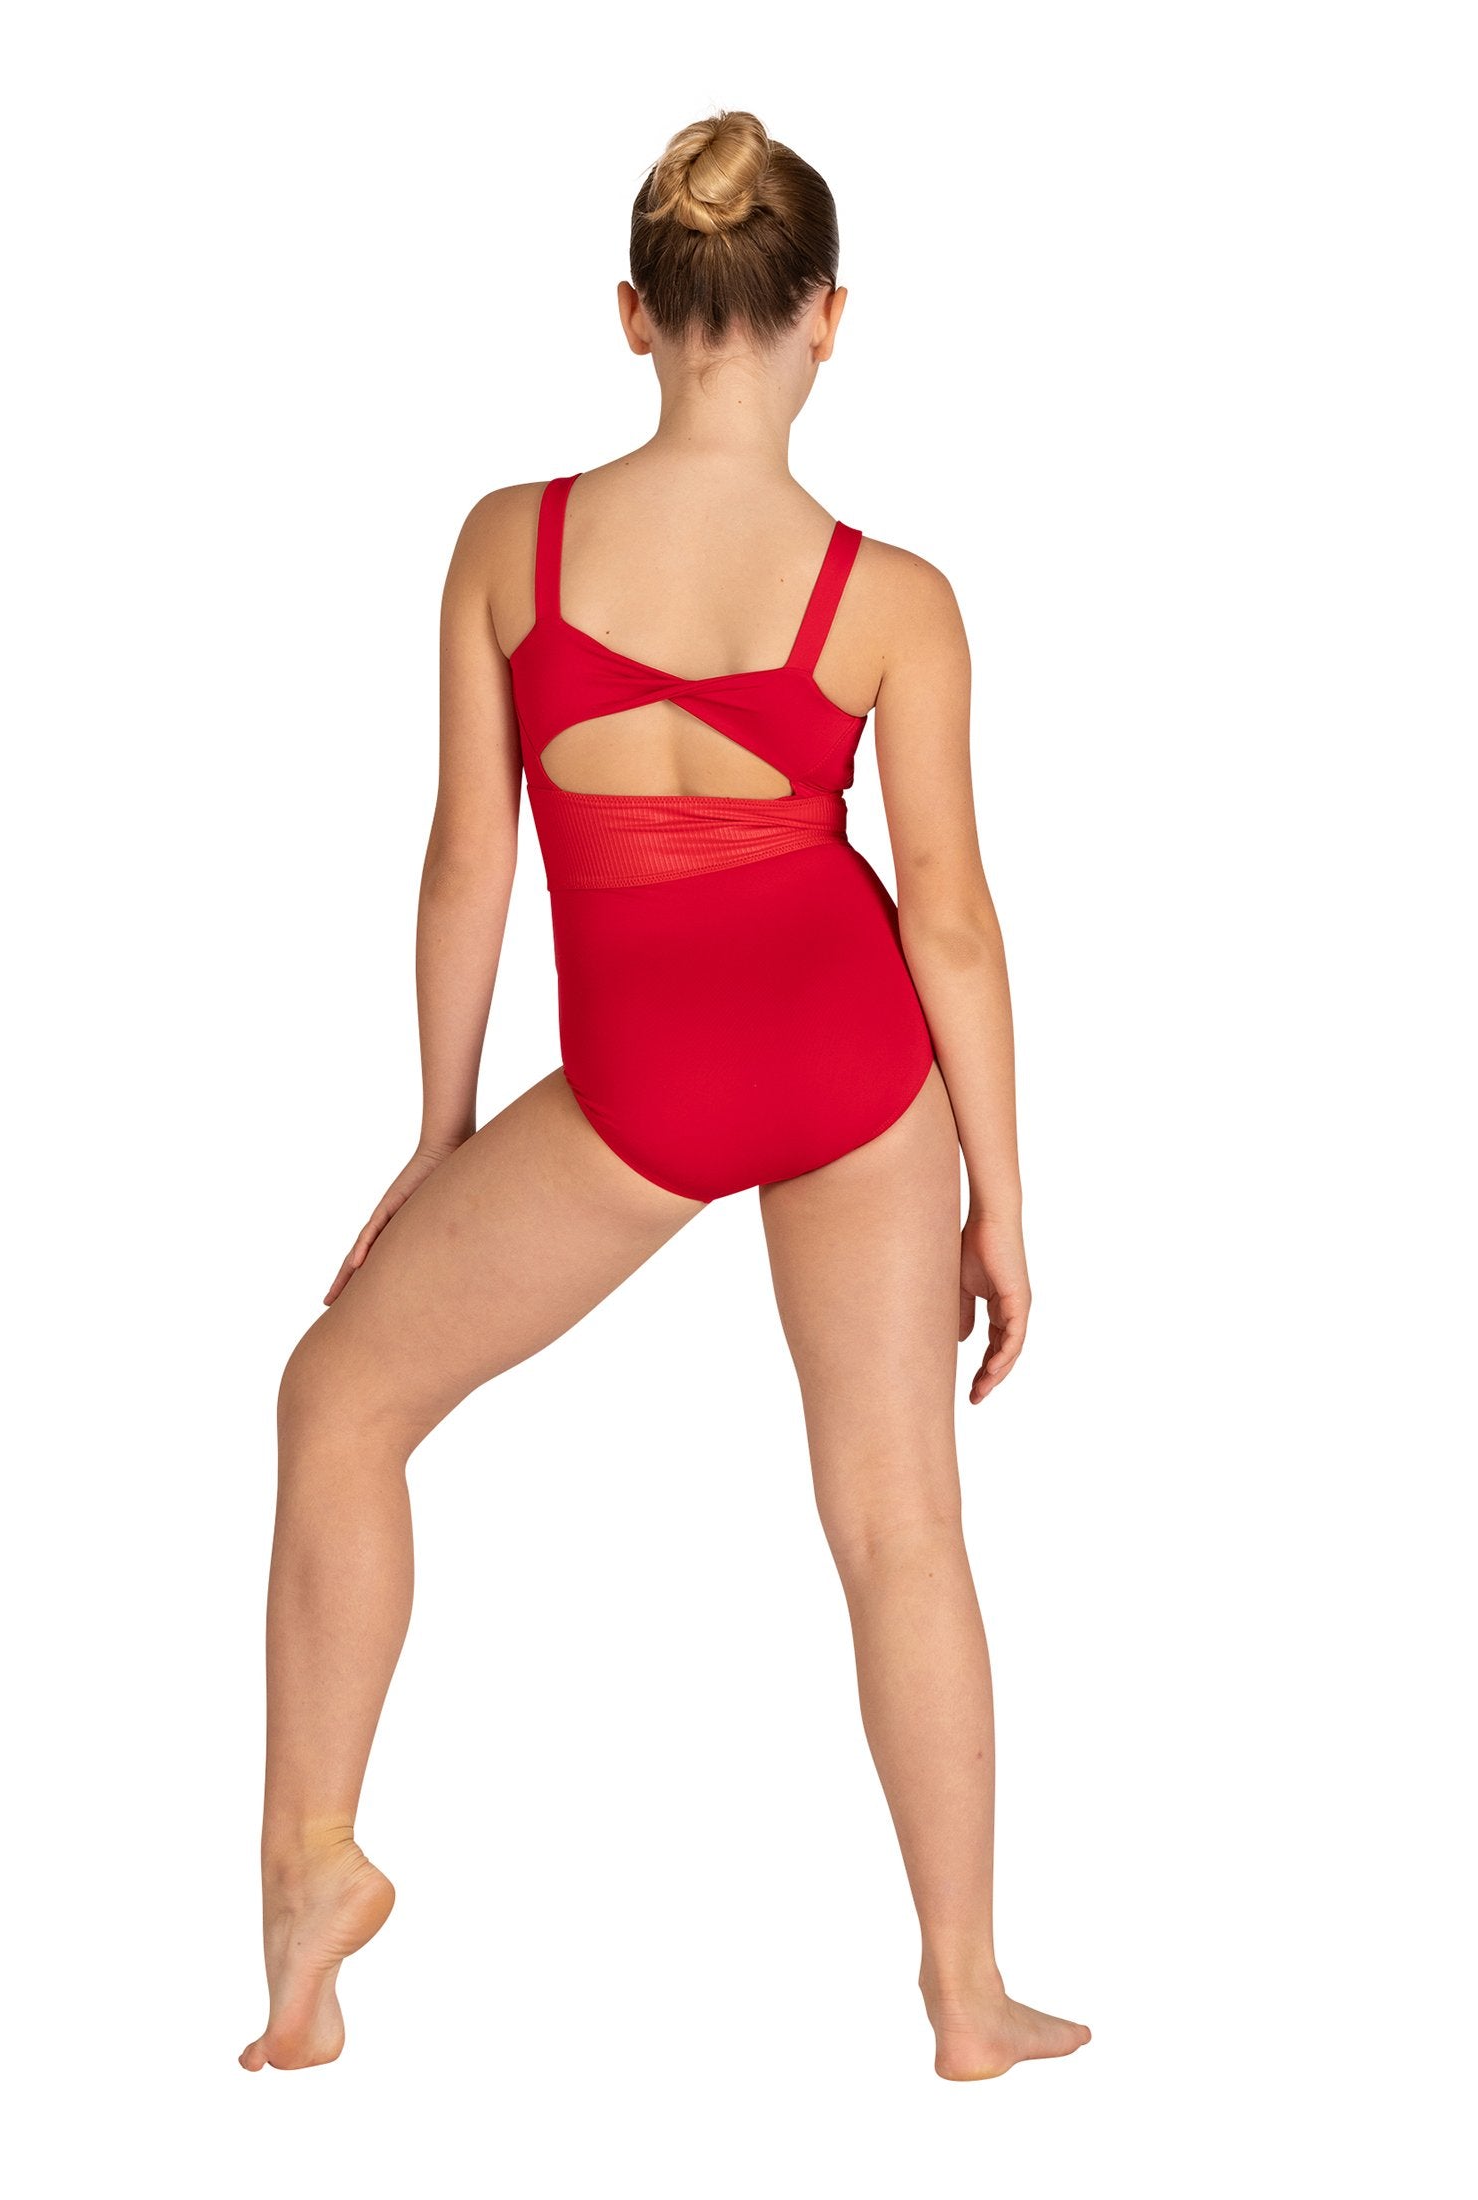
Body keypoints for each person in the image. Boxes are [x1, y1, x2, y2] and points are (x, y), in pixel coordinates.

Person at [240, 109, 1090, 2084]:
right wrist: (1003, 1198)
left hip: (643, 1081)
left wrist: (443, 1130)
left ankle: (310, 1879)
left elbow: (468, 863)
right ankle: (966, 1993)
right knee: (898, 1521)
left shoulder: (508, 546)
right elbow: (952, 919)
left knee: (338, 1399)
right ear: (827, 319)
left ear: (633, 313)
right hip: (855, 1055)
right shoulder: (891, 595)